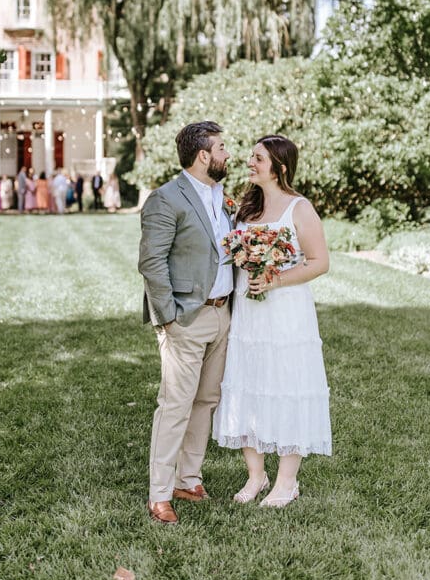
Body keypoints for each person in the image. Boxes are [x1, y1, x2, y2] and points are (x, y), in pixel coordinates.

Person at [212, 134, 331, 508]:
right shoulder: (245, 211)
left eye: (258, 159)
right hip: (249, 315)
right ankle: (256, 475)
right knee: (248, 384)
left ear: (279, 168)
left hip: (286, 315)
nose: (250, 163)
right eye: (250, 157)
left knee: (287, 387)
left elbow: (319, 262)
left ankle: (286, 482)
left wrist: (276, 278)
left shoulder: (299, 208)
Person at [138, 121, 235, 525]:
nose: (228, 154)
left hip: (222, 314)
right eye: (222, 147)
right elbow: (151, 262)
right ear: (203, 156)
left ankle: (188, 478)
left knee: (206, 402)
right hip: (186, 318)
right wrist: (170, 319)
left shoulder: (220, 196)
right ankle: (159, 493)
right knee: (175, 405)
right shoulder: (166, 199)